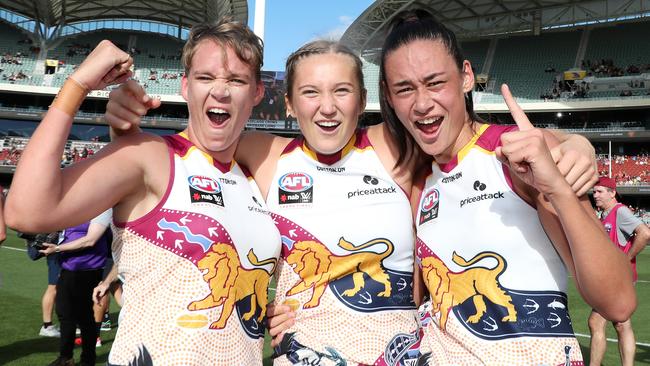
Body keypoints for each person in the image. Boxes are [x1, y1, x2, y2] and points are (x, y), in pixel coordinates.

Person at [106, 38, 600, 365]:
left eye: (342, 90)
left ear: (363, 98)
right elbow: (196, 140)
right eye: (310, 93)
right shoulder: (266, 153)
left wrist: (574, 144)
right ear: (287, 101)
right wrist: (120, 119)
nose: (327, 106)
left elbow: (468, 134)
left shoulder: (390, 146)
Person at [5, 19, 281, 366]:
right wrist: (77, 86)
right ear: (185, 86)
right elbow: (25, 212)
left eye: (237, 80)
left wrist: (275, 310)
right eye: (205, 77)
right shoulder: (151, 155)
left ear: (257, 93)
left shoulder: (257, 174)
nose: (221, 91)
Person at [377, 9, 636, 365]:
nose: (422, 103)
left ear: (466, 77)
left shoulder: (517, 155)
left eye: (435, 83)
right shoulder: (419, 184)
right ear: (389, 99)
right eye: (405, 89)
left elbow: (618, 301)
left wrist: (560, 186)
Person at [36, 209, 112, 366]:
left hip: (89, 269)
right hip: (68, 266)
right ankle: (66, 357)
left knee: (84, 317)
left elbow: (90, 240)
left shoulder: (103, 207)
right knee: (64, 313)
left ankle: (88, 359)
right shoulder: (77, 206)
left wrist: (56, 249)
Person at [589, 176, 649, 366]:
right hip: (611, 278)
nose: (595, 195)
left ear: (612, 192)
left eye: (599, 191)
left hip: (619, 279)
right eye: (594, 191)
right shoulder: (604, 214)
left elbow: (645, 233)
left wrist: (626, 258)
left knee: (600, 322)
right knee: (620, 324)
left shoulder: (620, 211)